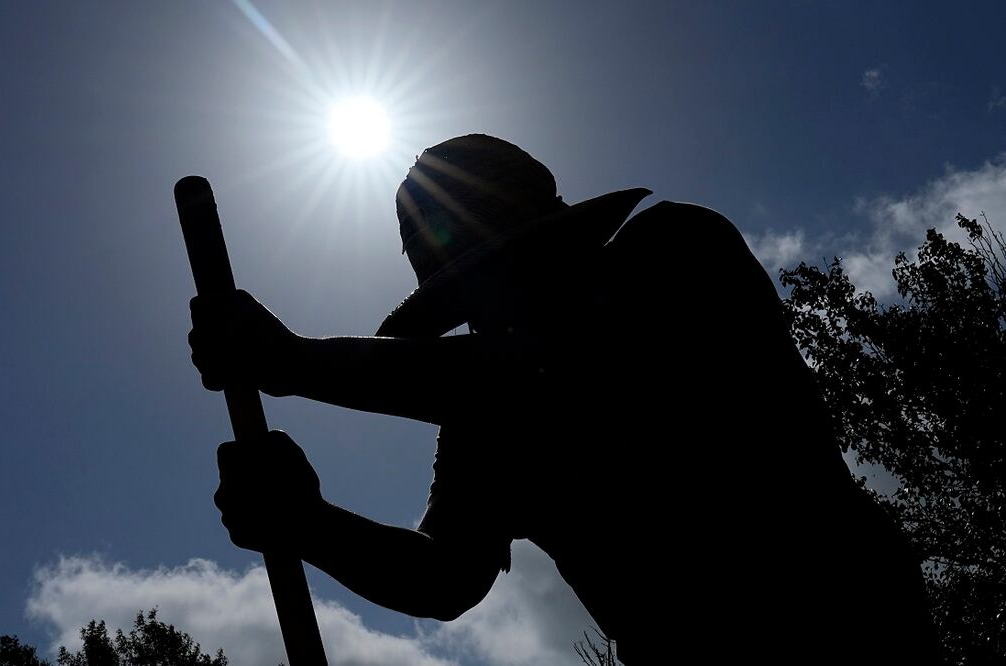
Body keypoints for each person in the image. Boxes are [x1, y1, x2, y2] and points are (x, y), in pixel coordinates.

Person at [190, 134, 939, 663]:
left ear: (554, 240)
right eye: (464, 297)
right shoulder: (484, 420)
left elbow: (560, 367)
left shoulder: (677, 254)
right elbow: (445, 576)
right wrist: (309, 524)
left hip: (847, 628)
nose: (485, 311)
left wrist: (295, 363)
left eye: (495, 276)